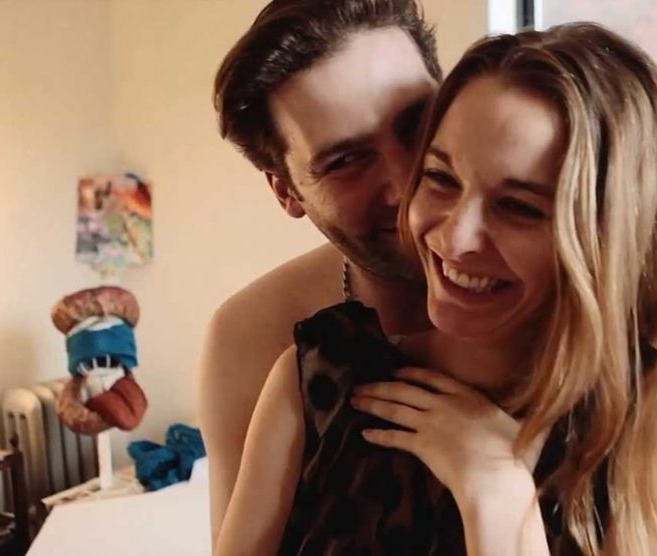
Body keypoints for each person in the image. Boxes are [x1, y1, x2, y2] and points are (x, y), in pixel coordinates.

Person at [217, 22, 657, 555]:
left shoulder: (647, 445)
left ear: (609, 236)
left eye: (518, 207)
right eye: (441, 177)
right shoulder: (315, 378)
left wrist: (497, 503)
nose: (453, 237)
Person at [199, 0, 442, 547]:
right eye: (345, 160)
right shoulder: (252, 337)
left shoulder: (575, 296)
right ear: (287, 191)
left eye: (417, 126)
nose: (405, 185)